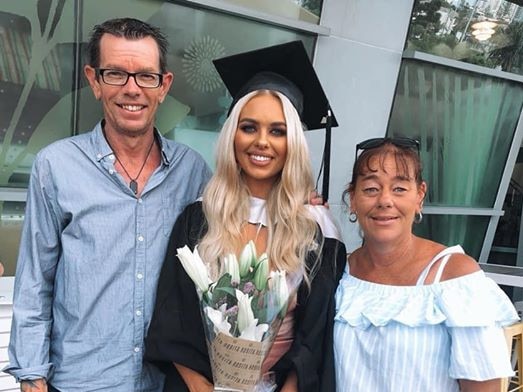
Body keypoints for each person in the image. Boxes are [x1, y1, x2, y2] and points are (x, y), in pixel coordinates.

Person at [5, 18, 212, 392]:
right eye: (116, 73)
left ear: (163, 86)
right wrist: (32, 375)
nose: (132, 89)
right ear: (94, 80)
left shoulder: (193, 172)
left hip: (165, 383)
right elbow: (36, 281)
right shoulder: (56, 167)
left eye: (146, 76)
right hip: (80, 382)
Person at [144, 41, 347, 392]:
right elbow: (172, 316)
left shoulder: (315, 228)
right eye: (249, 127)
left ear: (294, 142)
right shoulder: (200, 217)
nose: (262, 142)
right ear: (232, 135)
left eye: (278, 131)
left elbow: (315, 332)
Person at [334, 137, 519, 392]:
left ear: (419, 195)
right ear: (352, 199)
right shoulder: (340, 274)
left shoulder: (455, 279)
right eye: (371, 189)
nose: (385, 200)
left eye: (399, 188)